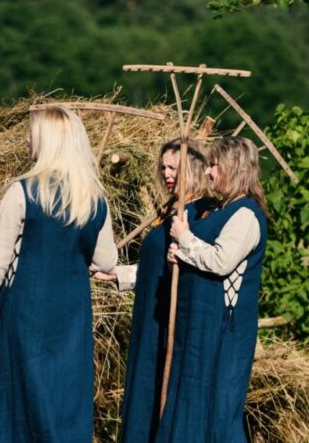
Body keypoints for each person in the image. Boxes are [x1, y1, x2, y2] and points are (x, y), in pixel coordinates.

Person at [0, 106, 118, 442]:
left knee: (16, 400)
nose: (28, 138)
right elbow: (107, 260)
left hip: (25, 313)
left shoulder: (22, 191)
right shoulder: (94, 199)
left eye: (33, 132)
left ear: (48, 140)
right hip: (72, 317)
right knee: (61, 401)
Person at [91, 138, 212, 443]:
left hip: (171, 322)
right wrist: (118, 275)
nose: (168, 174)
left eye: (175, 168)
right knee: (145, 390)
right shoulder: (172, 212)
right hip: (151, 317)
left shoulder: (201, 216)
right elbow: (156, 268)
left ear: (194, 169)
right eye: (164, 168)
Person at [157, 136, 269, 443]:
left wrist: (185, 239)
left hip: (222, 331)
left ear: (232, 167)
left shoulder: (245, 214)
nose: (208, 173)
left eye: (214, 165)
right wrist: (178, 256)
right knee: (191, 405)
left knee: (217, 413)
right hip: (198, 328)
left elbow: (221, 261)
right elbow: (201, 260)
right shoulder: (220, 210)